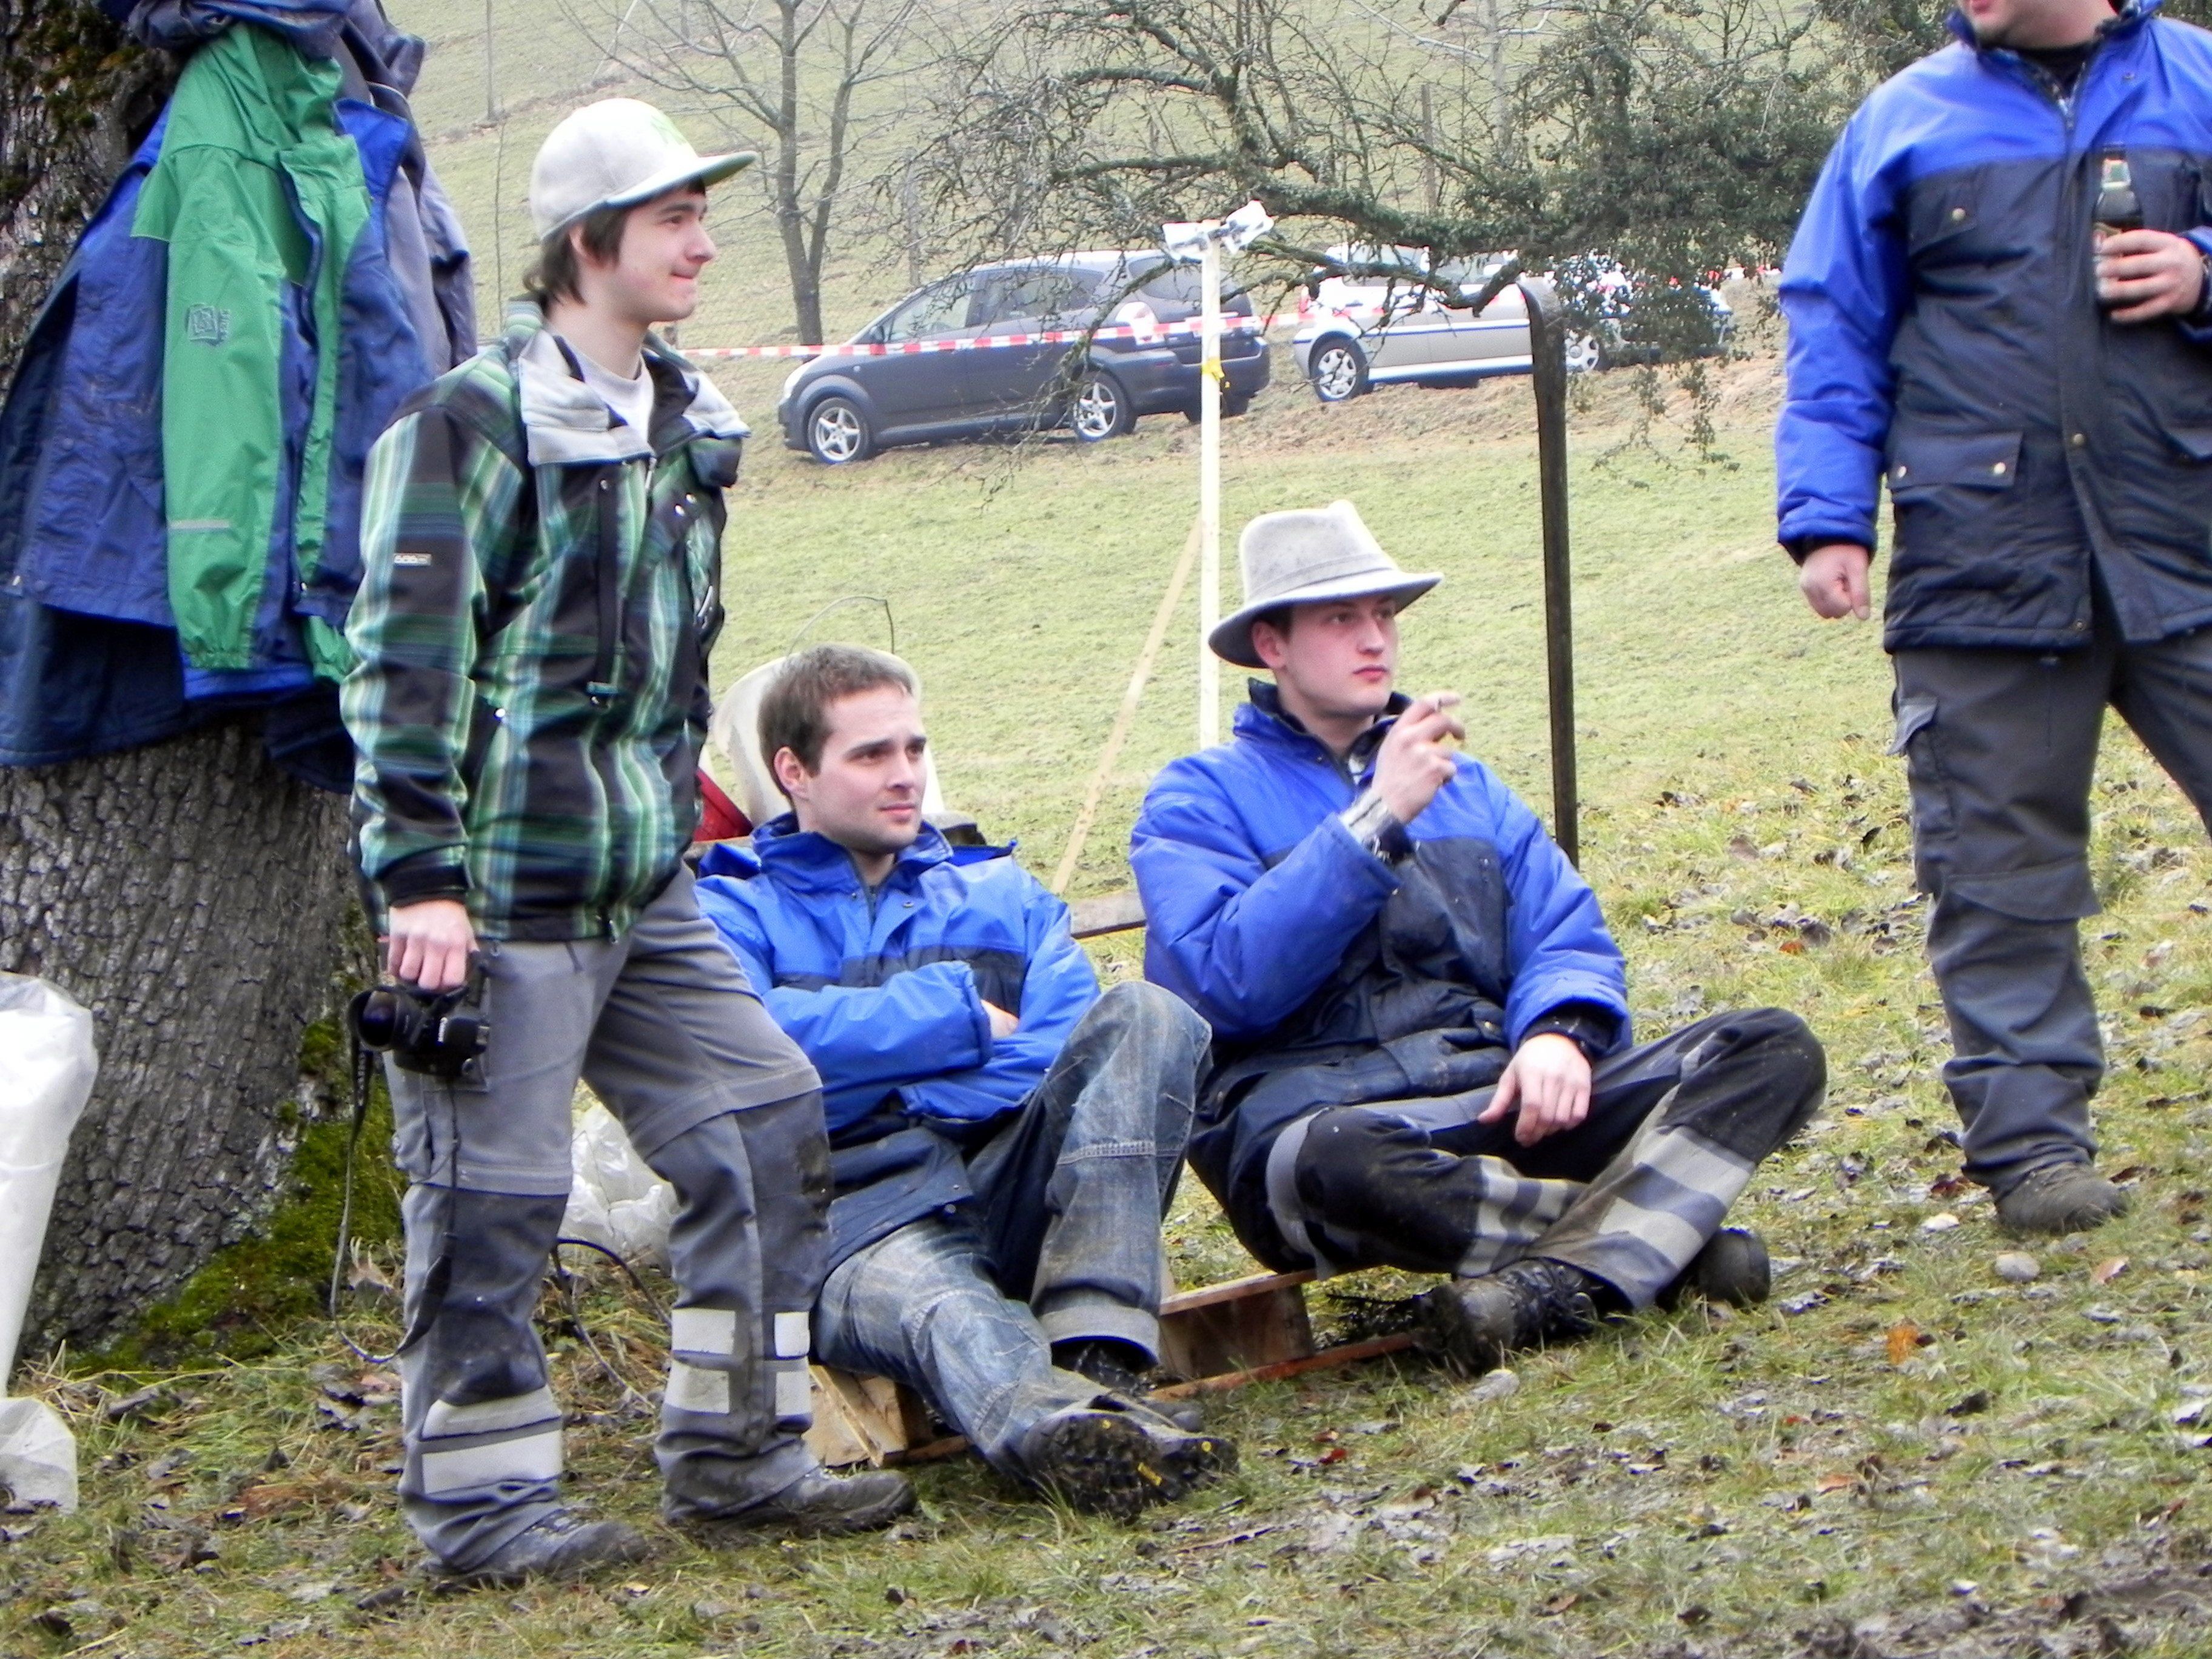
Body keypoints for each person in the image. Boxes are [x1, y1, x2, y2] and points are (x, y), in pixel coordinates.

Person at [341, 99, 910, 1584]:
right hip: (497, 898)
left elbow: (667, 673)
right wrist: (420, 880)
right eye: (674, 219)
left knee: (767, 1122)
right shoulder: (467, 427)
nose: (703, 244)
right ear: (588, 243)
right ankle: (483, 1515)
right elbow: (400, 671)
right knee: (493, 1203)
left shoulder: (687, 424)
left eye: (702, 215)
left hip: (645, 893)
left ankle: (739, 1461)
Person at [1128, 502, 1828, 1375]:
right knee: (1338, 1159)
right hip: (1334, 1131)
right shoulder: (1196, 799)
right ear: (1272, 644)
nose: (1374, 639)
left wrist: (1558, 1033)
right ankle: (1660, 1251)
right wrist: (1374, 820)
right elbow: (1224, 987)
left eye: (1384, 614)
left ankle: (1557, 1283)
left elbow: (1564, 933)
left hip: (1500, 1099)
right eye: (1341, 618)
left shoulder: (1473, 789)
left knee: (1768, 1047)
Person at [1778, 0, 2212, 1234]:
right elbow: (1834, 326)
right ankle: (2034, 1155)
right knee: (1997, 871)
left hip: (2191, 534)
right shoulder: (1900, 121)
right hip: (1981, 556)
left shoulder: (2200, 83)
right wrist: (1828, 518)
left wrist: (2202, 272)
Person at [692, 645, 1235, 1519]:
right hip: (854, 1220)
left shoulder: (1001, 893)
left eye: (914, 748)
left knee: (1149, 1016)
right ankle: (1064, 1432)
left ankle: (1097, 1353)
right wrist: (956, 1022)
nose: (905, 774)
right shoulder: (728, 910)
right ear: (793, 771)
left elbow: (1060, 1038)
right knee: (950, 1310)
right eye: (871, 754)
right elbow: (753, 1048)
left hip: (1014, 1179)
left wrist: (890, 1087)